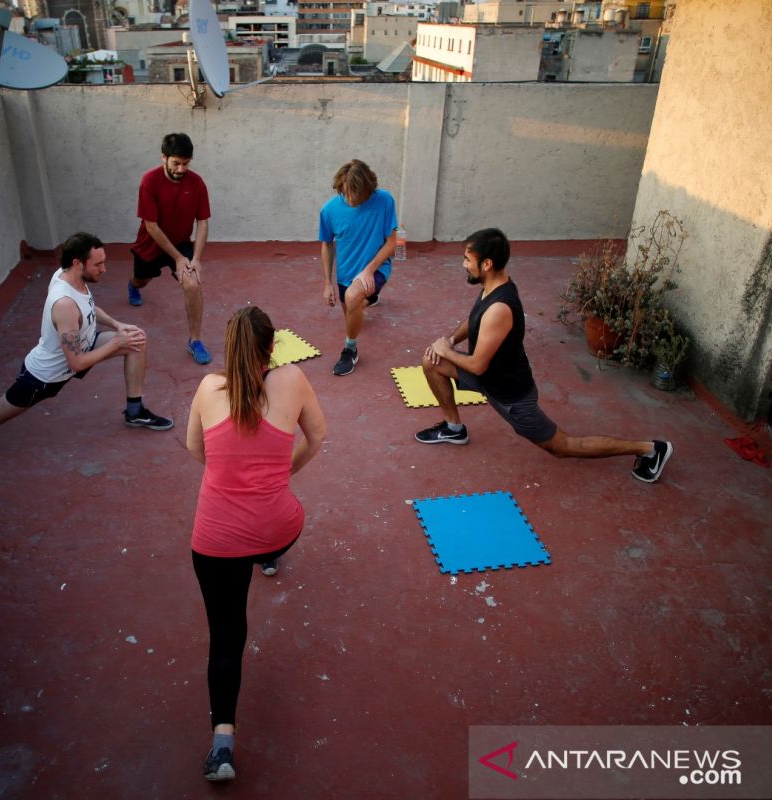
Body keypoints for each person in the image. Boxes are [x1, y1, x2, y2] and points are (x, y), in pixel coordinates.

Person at [185, 306, 326, 782]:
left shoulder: (209, 389)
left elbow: (195, 450)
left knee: (226, 639)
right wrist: (279, 474)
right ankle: (266, 556)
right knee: (281, 524)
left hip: (215, 541)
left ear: (229, 350)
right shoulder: (293, 380)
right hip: (275, 526)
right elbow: (319, 435)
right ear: (273, 348)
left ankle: (222, 745)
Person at [415, 228, 673, 483]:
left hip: (510, 396)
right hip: (488, 376)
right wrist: (450, 340)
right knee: (432, 362)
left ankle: (650, 448)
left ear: (487, 264)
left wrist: (447, 350)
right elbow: (474, 321)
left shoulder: (499, 308)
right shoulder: (492, 285)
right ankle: (453, 428)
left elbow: (478, 365)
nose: (463, 264)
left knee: (563, 446)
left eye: (467, 260)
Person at [0, 232, 173, 439]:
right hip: (45, 377)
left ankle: (135, 411)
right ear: (78, 263)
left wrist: (117, 325)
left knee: (136, 340)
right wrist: (116, 341)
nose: (104, 269)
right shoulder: (63, 304)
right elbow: (76, 363)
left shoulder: (68, 274)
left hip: (82, 346)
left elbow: (90, 308)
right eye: (98, 264)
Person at [128, 132, 213, 365]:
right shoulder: (149, 180)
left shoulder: (196, 183)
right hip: (151, 243)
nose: (181, 168)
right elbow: (151, 226)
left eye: (186, 163)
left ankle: (194, 341)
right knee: (141, 279)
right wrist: (177, 258)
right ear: (163, 158)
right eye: (176, 163)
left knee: (193, 284)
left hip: (181, 242)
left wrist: (196, 258)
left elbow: (203, 222)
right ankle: (133, 285)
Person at [318, 159, 399, 376]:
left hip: (377, 267)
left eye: (357, 195)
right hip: (346, 273)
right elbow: (326, 244)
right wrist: (327, 283)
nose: (351, 200)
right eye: (346, 193)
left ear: (369, 190)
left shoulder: (384, 200)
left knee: (354, 298)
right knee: (351, 310)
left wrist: (369, 270)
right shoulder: (329, 210)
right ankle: (369, 298)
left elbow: (392, 243)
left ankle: (350, 350)